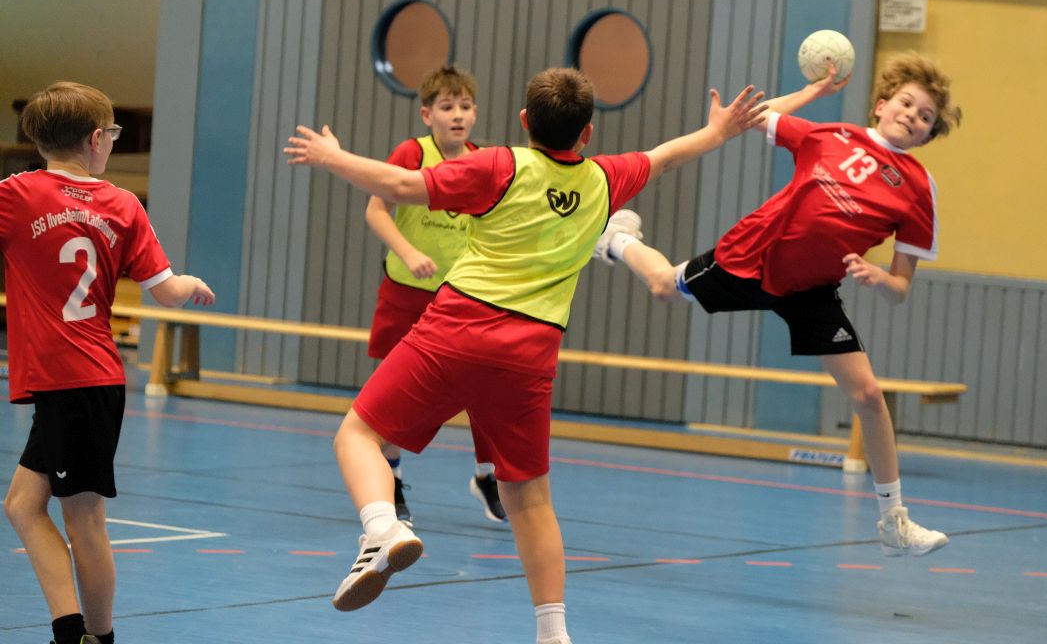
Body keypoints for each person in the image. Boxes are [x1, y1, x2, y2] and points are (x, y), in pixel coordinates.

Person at [285, 68, 766, 643]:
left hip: (457, 329)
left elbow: (401, 186)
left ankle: (383, 529)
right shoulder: (606, 178)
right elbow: (665, 157)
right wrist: (719, 131)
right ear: (587, 133)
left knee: (358, 435)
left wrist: (331, 156)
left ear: (523, 121)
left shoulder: (500, 166)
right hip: (530, 355)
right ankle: (553, 632)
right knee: (531, 500)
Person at [594, 52, 961, 557]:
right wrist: (812, 92)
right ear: (881, 104)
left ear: (928, 135)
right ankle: (616, 238)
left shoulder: (919, 189)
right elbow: (758, 116)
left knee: (868, 395)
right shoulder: (831, 136)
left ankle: (894, 521)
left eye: (925, 117)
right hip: (752, 255)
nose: (912, 116)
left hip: (812, 289)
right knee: (663, 286)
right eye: (906, 103)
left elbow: (899, 288)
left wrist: (879, 278)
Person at [1, 82, 215, 644]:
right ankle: (72, 629)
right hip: (81, 381)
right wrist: (191, 283)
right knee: (23, 506)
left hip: (75, 382)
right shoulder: (123, 205)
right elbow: (166, 291)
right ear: (97, 139)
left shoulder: (16, 195)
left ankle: (97, 638)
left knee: (84, 520)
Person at [364, 65, 504, 524]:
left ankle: (487, 475)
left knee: (485, 387)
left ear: (475, 113)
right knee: (398, 394)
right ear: (427, 115)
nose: (457, 115)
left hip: (461, 298)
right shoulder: (412, 154)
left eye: (465, 106)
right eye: (447, 107)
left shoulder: (486, 162)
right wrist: (407, 252)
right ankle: (391, 478)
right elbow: (376, 210)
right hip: (406, 293)